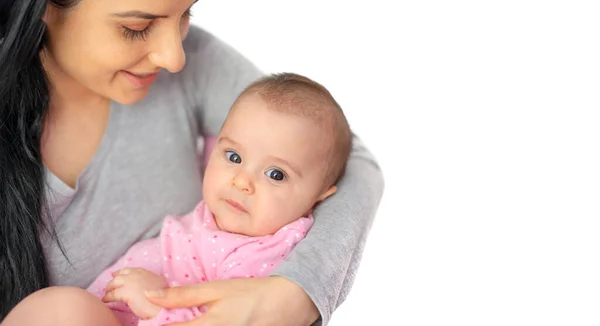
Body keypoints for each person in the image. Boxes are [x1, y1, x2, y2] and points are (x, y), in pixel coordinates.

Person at [0, 0, 384, 325]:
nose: (174, 57)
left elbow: (345, 160)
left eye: (186, 14)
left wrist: (298, 291)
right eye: (138, 26)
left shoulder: (194, 62)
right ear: (45, 7)